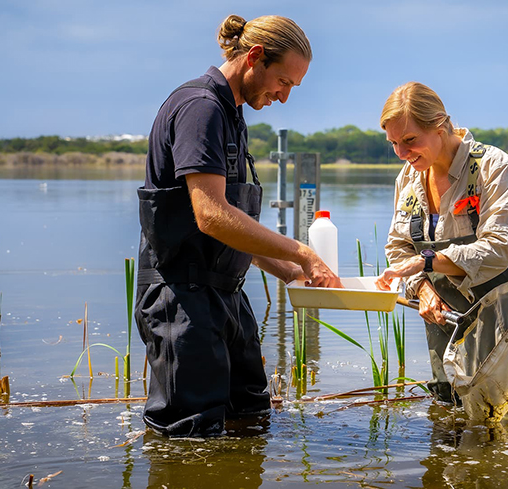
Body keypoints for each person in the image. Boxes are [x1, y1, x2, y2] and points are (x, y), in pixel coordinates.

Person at [135, 14, 341, 437]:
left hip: (225, 296)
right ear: (254, 57)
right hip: (183, 300)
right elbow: (211, 215)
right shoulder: (200, 108)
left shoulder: (232, 113)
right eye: (283, 82)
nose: (283, 97)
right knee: (191, 440)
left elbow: (233, 226)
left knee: (249, 418)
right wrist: (300, 251)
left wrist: (290, 272)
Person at [375, 82, 508, 409]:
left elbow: (498, 249)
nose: (401, 153)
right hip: (450, 328)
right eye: (394, 144)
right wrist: (424, 289)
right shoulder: (408, 179)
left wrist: (426, 261)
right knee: (451, 418)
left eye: (410, 140)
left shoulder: (493, 167)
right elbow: (399, 248)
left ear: (441, 127)